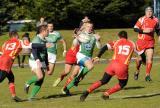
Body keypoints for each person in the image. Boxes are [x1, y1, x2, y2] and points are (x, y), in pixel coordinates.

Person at [80, 31, 136, 101]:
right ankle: (106, 94)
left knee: (103, 80)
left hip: (112, 65)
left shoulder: (116, 42)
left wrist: (98, 56)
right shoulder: (132, 43)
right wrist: (143, 60)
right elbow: (141, 53)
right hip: (122, 66)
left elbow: (104, 47)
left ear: (119, 36)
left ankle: (87, 91)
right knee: (122, 84)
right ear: (127, 37)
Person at [62, 22, 101, 96]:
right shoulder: (82, 35)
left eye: (91, 27)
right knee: (91, 66)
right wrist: (76, 38)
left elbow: (99, 47)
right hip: (81, 55)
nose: (90, 28)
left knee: (76, 75)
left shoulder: (94, 36)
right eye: (88, 26)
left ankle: (66, 88)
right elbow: (74, 44)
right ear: (85, 27)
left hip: (88, 57)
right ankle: (75, 80)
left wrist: (98, 40)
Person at [24, 25, 52, 101]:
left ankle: (31, 97)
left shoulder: (45, 40)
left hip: (42, 60)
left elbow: (45, 53)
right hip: (34, 60)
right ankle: (27, 83)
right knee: (40, 76)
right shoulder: (37, 39)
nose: (48, 32)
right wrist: (37, 60)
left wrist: (47, 64)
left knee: (41, 79)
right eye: (47, 31)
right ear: (43, 31)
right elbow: (34, 50)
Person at [133, 6, 160, 81]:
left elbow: (158, 29)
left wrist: (159, 36)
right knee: (139, 60)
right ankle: (137, 71)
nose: (149, 12)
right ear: (145, 12)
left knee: (150, 58)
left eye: (150, 11)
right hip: (141, 42)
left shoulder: (156, 20)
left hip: (150, 42)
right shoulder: (141, 19)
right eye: (148, 11)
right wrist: (143, 31)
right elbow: (135, 28)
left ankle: (147, 75)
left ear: (152, 12)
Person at [0, 31, 22, 102]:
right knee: (0, 79)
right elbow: (25, 45)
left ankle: (14, 95)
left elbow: (2, 51)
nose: (18, 37)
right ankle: (14, 95)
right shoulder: (18, 41)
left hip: (1, 59)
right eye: (18, 35)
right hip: (7, 60)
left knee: (11, 78)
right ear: (15, 36)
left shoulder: (5, 43)